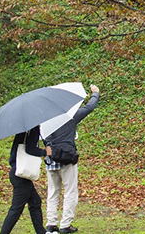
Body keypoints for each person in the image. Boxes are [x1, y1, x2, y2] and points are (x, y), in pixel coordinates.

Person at [43, 84, 100, 234]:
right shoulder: (69, 117)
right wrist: (95, 94)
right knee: (70, 192)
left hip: (51, 160)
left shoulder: (44, 120)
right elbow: (89, 108)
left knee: (53, 192)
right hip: (67, 159)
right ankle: (65, 224)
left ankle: (51, 224)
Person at [0, 125, 51, 234]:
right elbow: (30, 149)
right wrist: (44, 152)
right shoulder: (33, 128)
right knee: (17, 208)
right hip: (20, 175)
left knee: (35, 201)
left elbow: (16, 151)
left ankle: (41, 232)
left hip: (17, 171)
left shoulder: (22, 128)